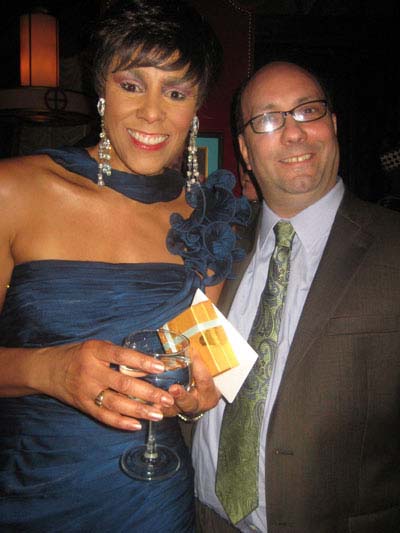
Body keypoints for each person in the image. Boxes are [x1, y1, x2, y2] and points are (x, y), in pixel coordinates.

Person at [0, 1, 250, 531]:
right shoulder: (13, 189)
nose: (153, 113)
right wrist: (48, 371)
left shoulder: (209, 220)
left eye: (176, 92)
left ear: (196, 107)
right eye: (132, 85)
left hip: (152, 502)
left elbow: (202, 361)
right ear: (101, 90)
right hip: (26, 493)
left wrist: (196, 397)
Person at [193, 61, 400, 532]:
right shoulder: (216, 247)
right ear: (245, 150)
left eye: (307, 111)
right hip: (202, 519)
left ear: (333, 124)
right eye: (268, 119)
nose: (293, 134)